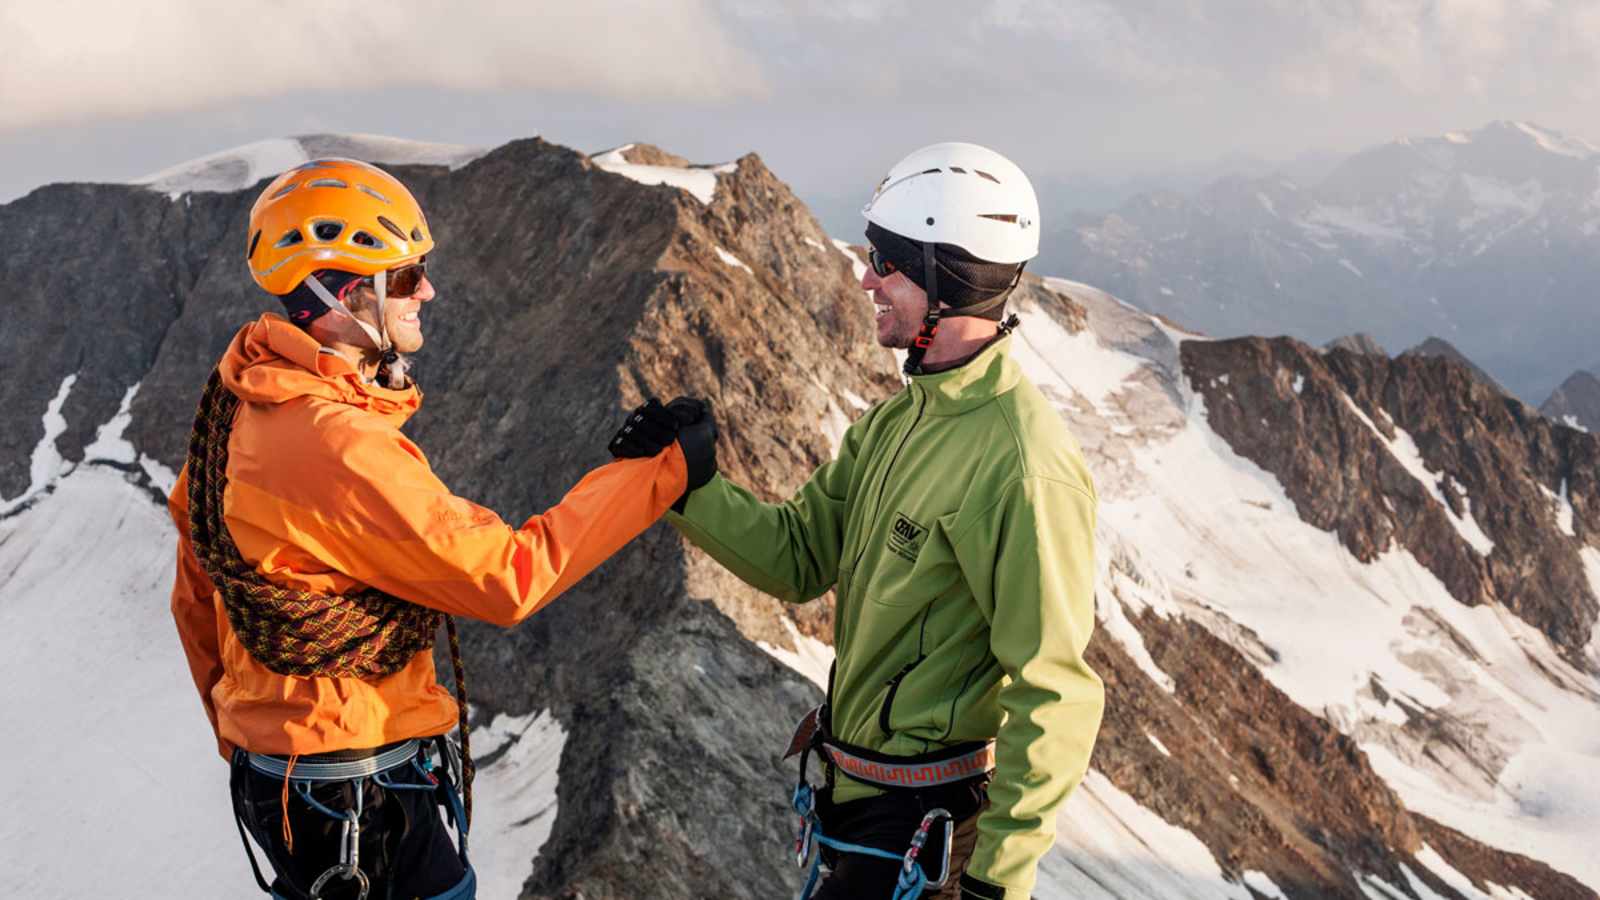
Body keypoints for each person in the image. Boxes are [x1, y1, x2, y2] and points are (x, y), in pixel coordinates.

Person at [169, 158, 708, 899]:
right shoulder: (336, 442)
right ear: (339, 292)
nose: (427, 290)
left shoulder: (240, 400)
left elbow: (197, 597)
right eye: (402, 277)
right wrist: (661, 471)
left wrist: (253, 733)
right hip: (361, 790)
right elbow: (507, 576)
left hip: (291, 784)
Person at [618, 143, 1103, 899]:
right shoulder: (897, 422)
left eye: (886, 261)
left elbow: (1057, 690)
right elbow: (797, 558)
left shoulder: (1020, 465)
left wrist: (995, 883)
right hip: (866, 813)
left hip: (927, 830)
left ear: (947, 276)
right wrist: (685, 481)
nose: (865, 277)